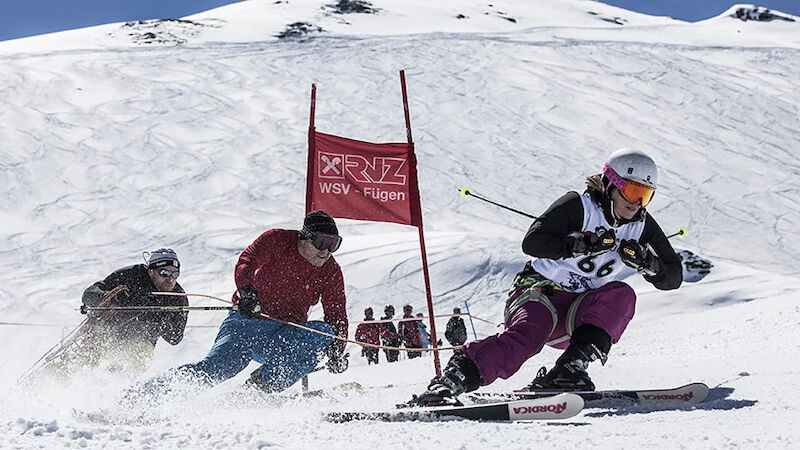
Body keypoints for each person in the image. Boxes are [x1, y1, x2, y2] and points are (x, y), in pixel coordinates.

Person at [414, 148, 682, 405]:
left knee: (621, 295)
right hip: (540, 292)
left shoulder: (643, 226)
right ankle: (452, 380)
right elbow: (532, 242)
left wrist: (649, 263)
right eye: (633, 191)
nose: (636, 203)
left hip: (579, 315)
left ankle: (568, 370)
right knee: (527, 338)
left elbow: (674, 276)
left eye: (645, 196)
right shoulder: (579, 206)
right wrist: (580, 245)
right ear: (610, 184)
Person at [132, 211, 349, 398]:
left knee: (324, 334)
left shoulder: (331, 271)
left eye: (333, 245)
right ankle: (145, 395)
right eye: (321, 242)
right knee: (218, 368)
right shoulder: (277, 240)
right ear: (304, 237)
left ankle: (254, 393)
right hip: (248, 323)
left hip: (285, 333)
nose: (326, 251)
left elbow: (337, 313)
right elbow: (247, 260)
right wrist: (246, 291)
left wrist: (337, 351)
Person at [41, 248, 188, 378]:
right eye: (164, 273)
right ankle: (44, 382)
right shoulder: (132, 275)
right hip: (106, 333)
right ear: (151, 271)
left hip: (141, 343)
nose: (170, 279)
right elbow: (88, 294)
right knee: (80, 359)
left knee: (139, 357)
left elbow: (175, 338)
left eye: (175, 274)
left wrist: (162, 318)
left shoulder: (178, 298)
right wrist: (108, 299)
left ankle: (110, 391)